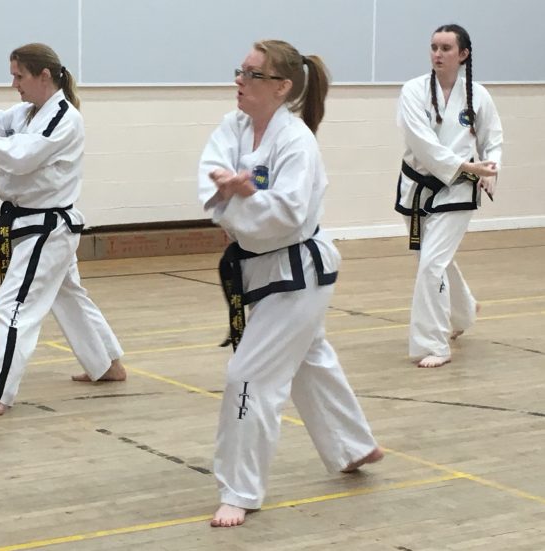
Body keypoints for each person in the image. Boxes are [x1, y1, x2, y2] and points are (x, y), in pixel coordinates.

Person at [198, 39, 383, 528]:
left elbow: (287, 212)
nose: (239, 80)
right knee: (308, 359)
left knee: (248, 376)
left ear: (281, 87)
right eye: (239, 70)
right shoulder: (232, 127)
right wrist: (229, 193)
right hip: (263, 268)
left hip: (298, 272)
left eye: (252, 74)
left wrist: (246, 196)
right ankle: (353, 446)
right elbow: (208, 178)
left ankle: (240, 489)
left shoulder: (297, 140)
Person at [0, 44, 126, 421]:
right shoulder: (31, 112)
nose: (14, 84)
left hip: (46, 228)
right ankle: (107, 364)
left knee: (12, 308)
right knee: (69, 296)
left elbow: (22, 156)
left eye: (19, 76)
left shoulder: (64, 117)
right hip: (34, 224)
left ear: (43, 75)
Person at [394, 24, 503, 368]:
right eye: (433, 47)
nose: (437, 54)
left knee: (431, 265)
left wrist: (489, 171)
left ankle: (433, 344)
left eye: (445, 48)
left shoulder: (479, 96)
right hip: (418, 186)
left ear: (463, 55)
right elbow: (421, 143)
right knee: (434, 259)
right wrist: (466, 167)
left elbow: (493, 139)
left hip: (457, 190)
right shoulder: (413, 91)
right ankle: (465, 311)